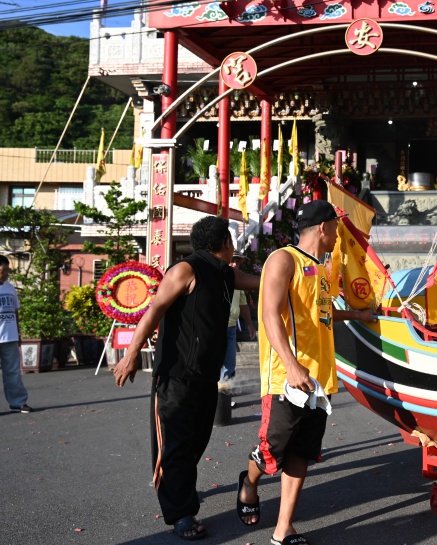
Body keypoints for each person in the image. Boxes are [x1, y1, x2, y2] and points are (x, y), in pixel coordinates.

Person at [236, 200, 374, 545]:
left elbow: (322, 314)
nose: (338, 236)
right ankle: (249, 482)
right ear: (325, 228)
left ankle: (284, 529)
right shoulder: (283, 259)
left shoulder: (322, 270)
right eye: (337, 229)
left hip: (319, 379)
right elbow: (269, 314)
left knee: (303, 452)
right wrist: (293, 364)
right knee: (274, 448)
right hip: (286, 376)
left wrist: (357, 316)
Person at [114, 216, 260, 541]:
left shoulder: (226, 273)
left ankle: (179, 491)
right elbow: (154, 310)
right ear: (223, 242)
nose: (233, 244)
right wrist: (131, 354)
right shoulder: (185, 270)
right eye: (231, 239)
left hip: (206, 376)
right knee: (176, 446)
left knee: (196, 441)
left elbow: (260, 282)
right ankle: (181, 513)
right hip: (176, 376)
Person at [0, 255, 32, 413]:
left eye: (7, 270)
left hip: (10, 337)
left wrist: (18, 333)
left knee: (12, 372)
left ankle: (17, 402)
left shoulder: (9, 287)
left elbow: (15, 312)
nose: (6, 273)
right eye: (3, 270)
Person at [221, 251, 256, 383]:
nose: (235, 264)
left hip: (231, 326)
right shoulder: (219, 276)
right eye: (232, 260)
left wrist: (250, 324)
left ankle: (224, 397)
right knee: (217, 363)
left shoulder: (238, 281)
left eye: (237, 261)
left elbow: (243, 304)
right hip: (217, 326)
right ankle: (217, 398)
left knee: (229, 365)